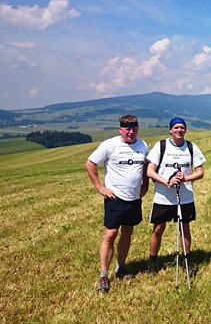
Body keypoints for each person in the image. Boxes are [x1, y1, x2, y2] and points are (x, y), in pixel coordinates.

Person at [85, 114, 149, 293]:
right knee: (111, 234)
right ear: (120, 129)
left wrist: (145, 184)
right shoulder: (109, 145)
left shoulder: (143, 145)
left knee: (128, 232)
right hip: (115, 198)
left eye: (134, 128)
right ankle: (104, 275)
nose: (131, 132)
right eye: (127, 128)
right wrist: (100, 187)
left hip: (134, 198)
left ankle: (121, 267)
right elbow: (90, 164)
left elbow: (144, 167)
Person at [146, 117, 206, 275]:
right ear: (170, 130)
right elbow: (150, 171)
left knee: (184, 228)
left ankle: (186, 260)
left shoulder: (191, 147)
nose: (179, 130)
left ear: (185, 130)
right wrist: (167, 181)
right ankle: (152, 261)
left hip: (185, 196)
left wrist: (185, 178)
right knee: (158, 228)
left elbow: (200, 172)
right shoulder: (161, 146)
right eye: (176, 128)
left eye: (182, 128)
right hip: (163, 196)